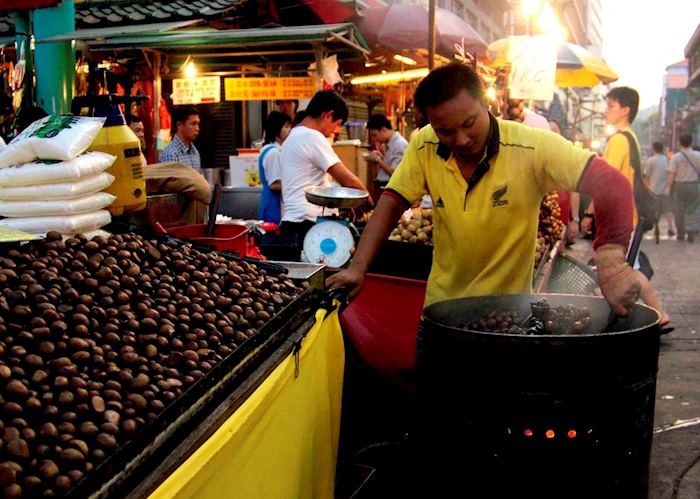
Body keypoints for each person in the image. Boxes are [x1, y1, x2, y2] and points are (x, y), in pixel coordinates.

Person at [328, 63, 639, 316]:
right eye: (446, 131)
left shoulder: (530, 146)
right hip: (441, 312)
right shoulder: (425, 143)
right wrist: (359, 268)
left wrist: (611, 256)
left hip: (509, 315)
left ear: (486, 103)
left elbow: (612, 183)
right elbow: (392, 202)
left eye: (469, 123)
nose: (461, 139)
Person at [580, 87, 669, 325]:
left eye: (611, 106)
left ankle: (656, 314)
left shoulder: (619, 140)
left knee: (624, 270)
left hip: (620, 219)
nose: (605, 110)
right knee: (626, 268)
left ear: (625, 110)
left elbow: (603, 179)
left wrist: (588, 214)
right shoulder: (631, 137)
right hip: (628, 216)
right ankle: (640, 315)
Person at [279, 90, 371, 240]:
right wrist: (368, 200)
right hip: (308, 223)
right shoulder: (312, 136)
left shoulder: (292, 137)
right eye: (338, 123)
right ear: (327, 115)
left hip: (291, 222)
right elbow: (348, 180)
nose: (337, 130)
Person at [258, 111, 292, 225]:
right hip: (273, 206)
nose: (289, 131)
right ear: (277, 129)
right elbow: (274, 184)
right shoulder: (273, 153)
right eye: (286, 126)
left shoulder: (277, 151)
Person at [667, 134, 700, 242]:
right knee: (693, 208)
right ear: (691, 142)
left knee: (679, 209)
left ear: (680, 143)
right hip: (693, 184)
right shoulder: (698, 155)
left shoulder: (675, 157)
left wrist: (669, 187)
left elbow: (672, 174)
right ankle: (691, 231)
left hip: (679, 185)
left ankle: (680, 233)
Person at [366, 114, 408, 187]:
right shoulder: (390, 144)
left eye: (375, 135)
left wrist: (378, 159)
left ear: (383, 130)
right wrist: (382, 158)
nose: (374, 139)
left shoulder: (399, 144)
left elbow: (394, 172)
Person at [644, 141, 674, 239]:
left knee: (652, 211)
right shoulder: (668, 160)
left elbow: (646, 176)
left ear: (653, 149)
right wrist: (668, 187)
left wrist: (648, 188)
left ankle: (653, 230)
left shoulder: (650, 161)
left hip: (653, 190)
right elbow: (670, 175)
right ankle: (671, 228)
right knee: (667, 210)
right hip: (664, 191)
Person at [160, 106, 201, 173]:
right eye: (193, 124)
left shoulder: (194, 152)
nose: (197, 128)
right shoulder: (171, 154)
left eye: (198, 124)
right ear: (179, 125)